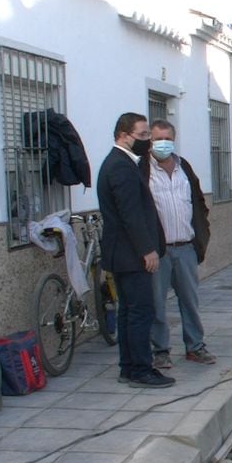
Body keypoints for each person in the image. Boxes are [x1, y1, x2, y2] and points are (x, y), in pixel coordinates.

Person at [97, 112, 173, 388]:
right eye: (142, 136)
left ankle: (128, 367)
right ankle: (141, 369)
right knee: (140, 311)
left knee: (129, 312)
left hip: (124, 253)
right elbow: (130, 214)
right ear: (123, 136)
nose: (147, 142)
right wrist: (147, 250)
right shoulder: (120, 166)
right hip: (131, 254)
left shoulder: (123, 163)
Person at [143, 119, 215, 368]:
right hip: (159, 251)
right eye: (156, 138)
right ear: (150, 141)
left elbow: (198, 204)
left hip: (185, 247)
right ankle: (160, 350)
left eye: (166, 138)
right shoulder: (143, 170)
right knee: (157, 303)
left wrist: (200, 239)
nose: (162, 143)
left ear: (173, 139)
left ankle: (195, 347)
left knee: (190, 301)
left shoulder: (185, 168)